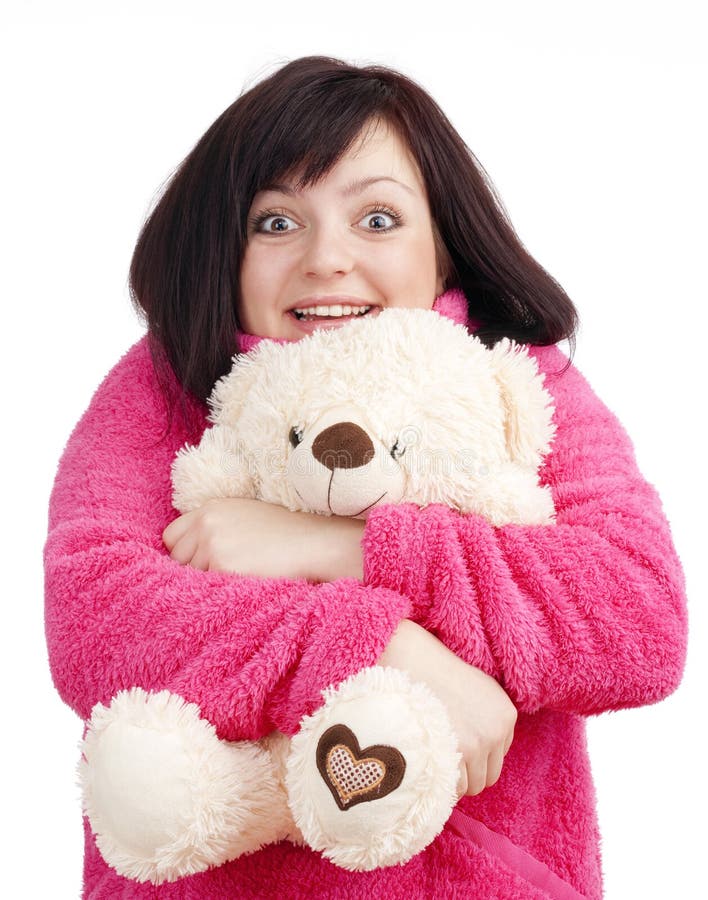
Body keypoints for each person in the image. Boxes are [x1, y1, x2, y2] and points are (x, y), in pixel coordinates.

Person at [44, 55, 687, 899]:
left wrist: (336, 546)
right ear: (223, 248)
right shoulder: (164, 390)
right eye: (277, 222)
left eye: (377, 218)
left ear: (445, 245)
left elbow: (638, 617)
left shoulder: (514, 382)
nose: (327, 261)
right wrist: (388, 647)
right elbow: (96, 621)